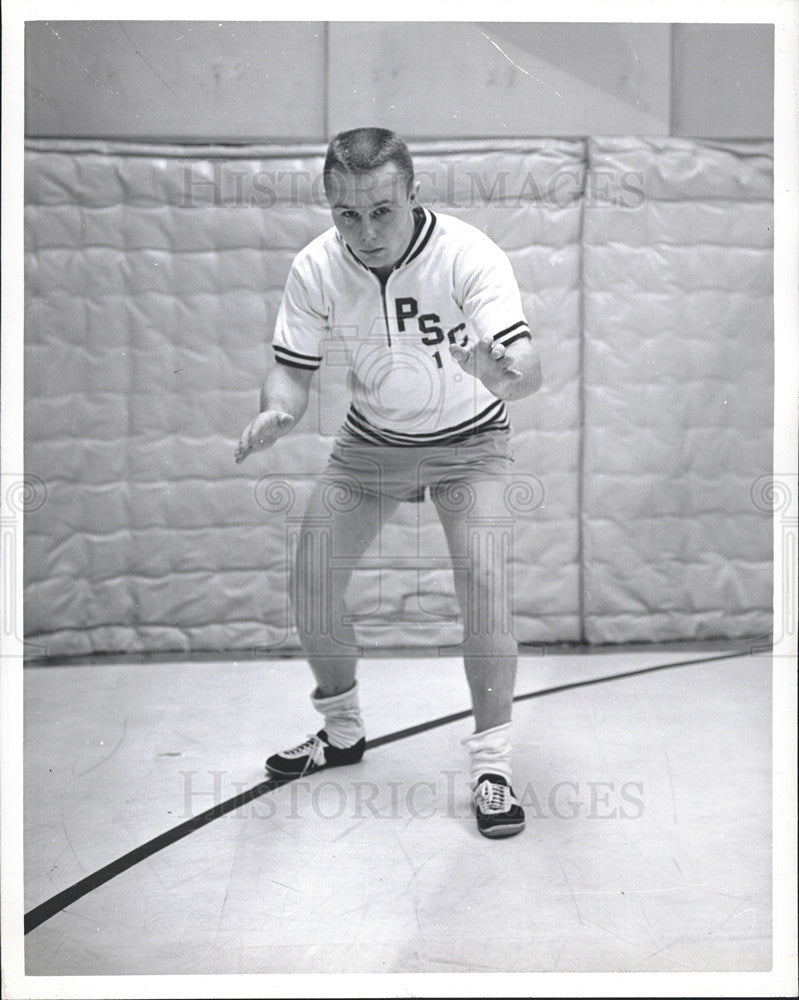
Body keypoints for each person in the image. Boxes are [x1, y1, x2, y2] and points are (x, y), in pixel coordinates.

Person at [235, 127, 542, 838]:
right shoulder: (315, 267)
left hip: (470, 443)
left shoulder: (467, 254)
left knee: (485, 581)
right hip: (373, 445)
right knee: (311, 579)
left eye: (382, 211)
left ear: (412, 196)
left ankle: (491, 766)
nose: (365, 231)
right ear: (329, 206)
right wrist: (277, 408)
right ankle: (341, 733)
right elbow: (291, 367)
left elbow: (529, 366)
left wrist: (499, 372)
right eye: (347, 214)